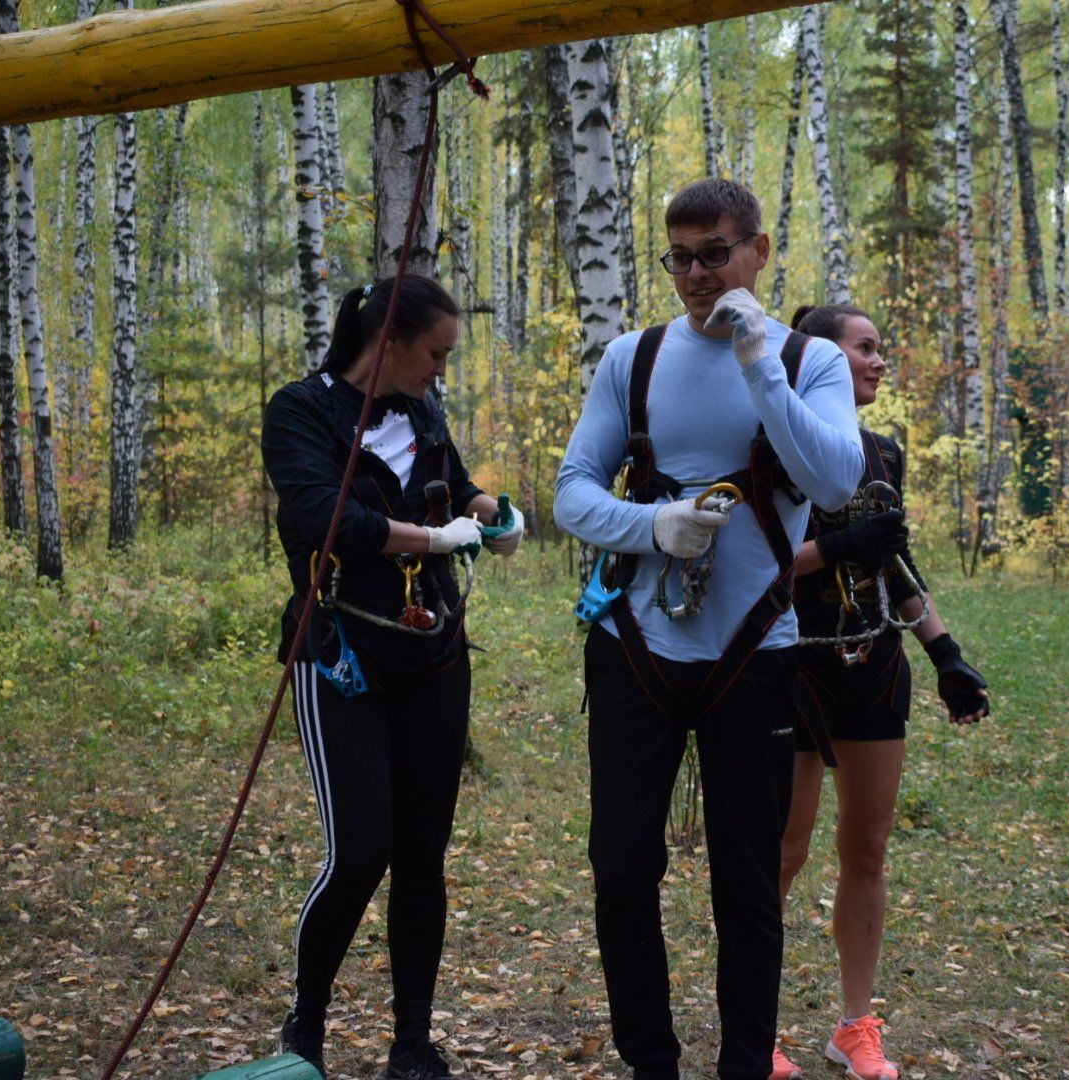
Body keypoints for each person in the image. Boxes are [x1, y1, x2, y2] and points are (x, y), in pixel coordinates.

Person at [554, 179, 863, 1080]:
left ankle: (741, 1067)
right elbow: (574, 489)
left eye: (715, 253)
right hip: (635, 652)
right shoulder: (633, 359)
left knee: (748, 887)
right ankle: (651, 1063)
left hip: (753, 658)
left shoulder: (812, 363)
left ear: (758, 253)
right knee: (620, 871)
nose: (695, 274)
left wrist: (759, 358)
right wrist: (652, 526)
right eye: (679, 256)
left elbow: (836, 485)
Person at [261, 274, 525, 1080]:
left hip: (434, 655)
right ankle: (305, 1023)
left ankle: (412, 1039)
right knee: (361, 850)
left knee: (421, 853)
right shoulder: (300, 410)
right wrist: (432, 540)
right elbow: (321, 517)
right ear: (390, 341)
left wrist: (490, 513)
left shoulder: (420, 411)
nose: (442, 369)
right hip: (342, 652)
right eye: (436, 353)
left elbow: (456, 480)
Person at [772, 304, 989, 1080]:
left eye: (879, 349)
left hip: (874, 668)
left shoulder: (882, 451)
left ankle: (854, 1026)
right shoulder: (774, 441)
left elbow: (894, 564)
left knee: (866, 850)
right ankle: (753, 1028)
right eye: (863, 349)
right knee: (782, 853)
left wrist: (946, 654)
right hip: (789, 668)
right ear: (818, 359)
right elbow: (749, 565)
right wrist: (833, 546)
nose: (878, 361)